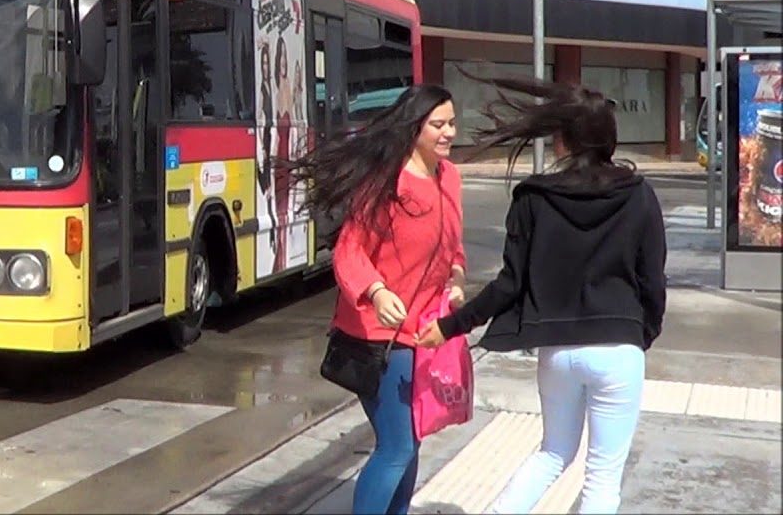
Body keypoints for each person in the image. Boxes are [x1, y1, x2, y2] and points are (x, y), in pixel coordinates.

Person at [416, 75, 667, 515]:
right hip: (619, 347)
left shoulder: (533, 197)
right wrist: (642, 332)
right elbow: (653, 280)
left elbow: (509, 284)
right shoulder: (640, 196)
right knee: (603, 477)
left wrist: (450, 326)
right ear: (608, 138)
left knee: (552, 454)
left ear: (563, 141)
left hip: (558, 352)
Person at [283, 84, 467, 515]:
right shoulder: (386, 182)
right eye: (437, 124)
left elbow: (452, 247)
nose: (448, 133)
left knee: (411, 441)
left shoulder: (450, 177)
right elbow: (349, 250)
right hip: (378, 335)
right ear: (414, 127)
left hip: (424, 333)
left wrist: (457, 278)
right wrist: (377, 292)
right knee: (397, 446)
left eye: (452, 123)